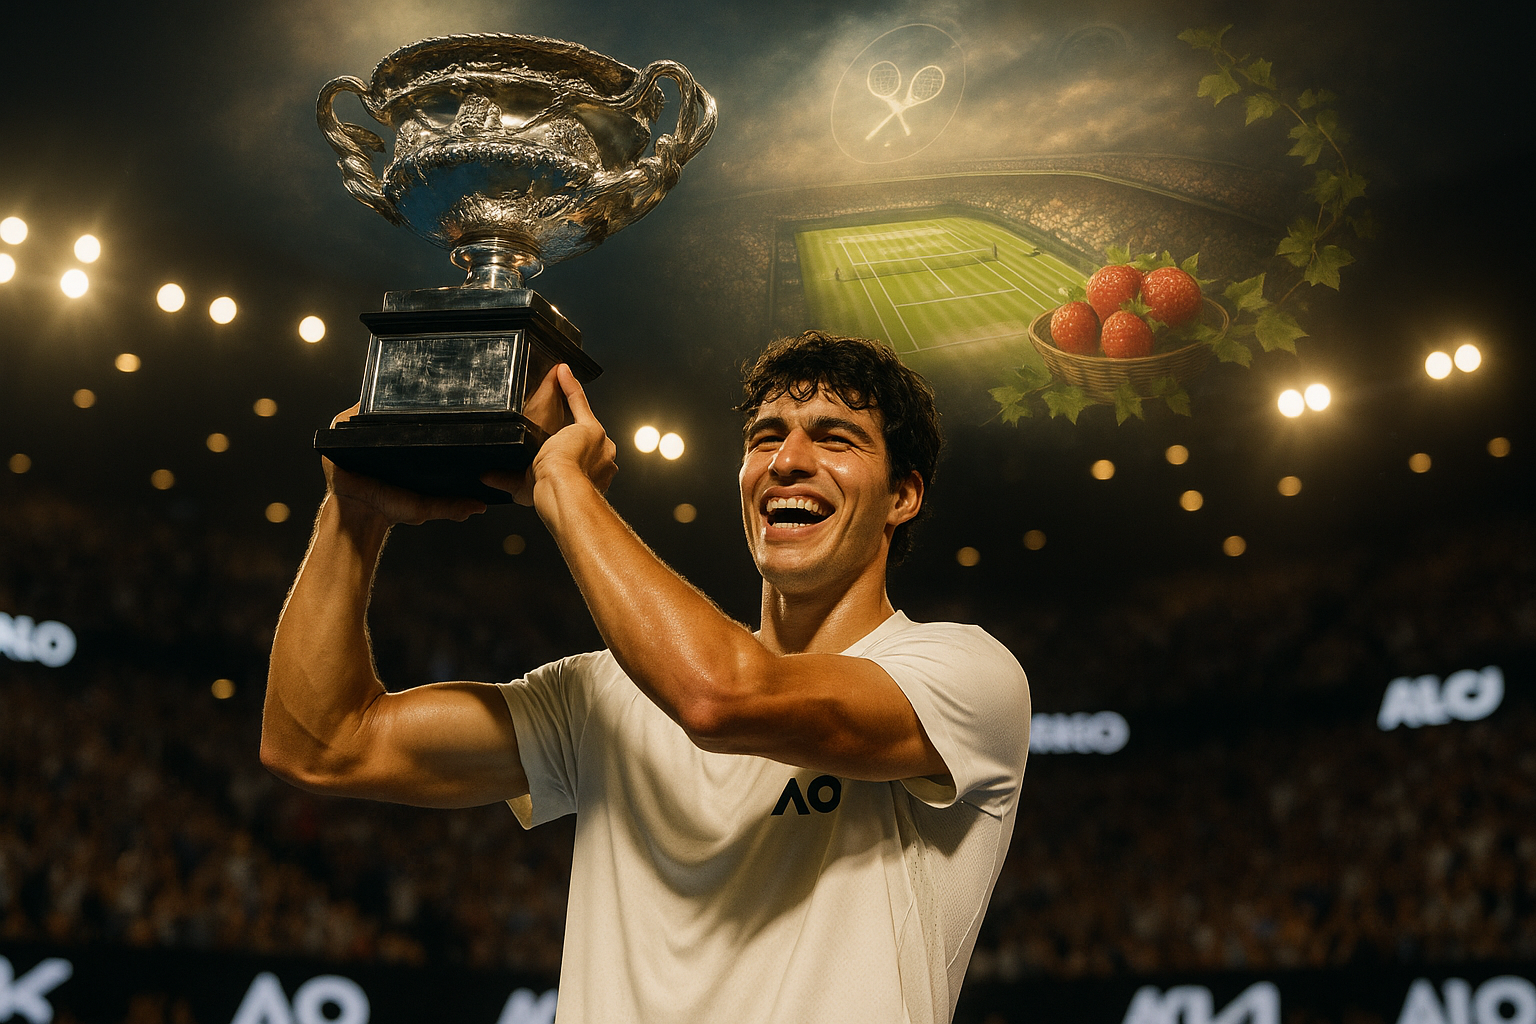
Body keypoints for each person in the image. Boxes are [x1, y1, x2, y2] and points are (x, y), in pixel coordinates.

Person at [260, 330, 1031, 1024]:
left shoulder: (962, 674)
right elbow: (324, 742)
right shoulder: (604, 695)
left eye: (835, 439)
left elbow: (720, 698)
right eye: (765, 438)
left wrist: (563, 487)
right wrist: (351, 516)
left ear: (903, 495)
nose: (788, 460)